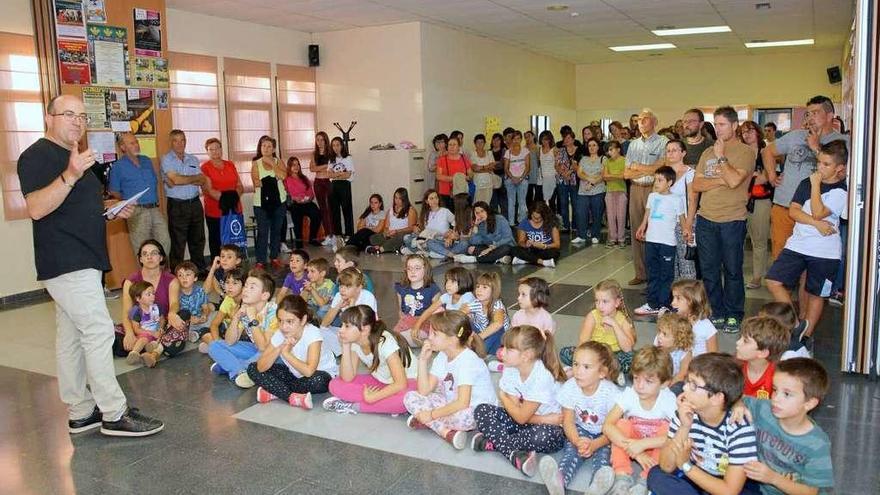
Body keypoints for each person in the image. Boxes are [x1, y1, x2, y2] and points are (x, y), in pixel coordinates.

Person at [18, 95, 162, 437]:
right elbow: (37, 208)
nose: (78, 122)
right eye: (69, 114)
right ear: (49, 117)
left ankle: (81, 410)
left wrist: (113, 208)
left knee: (70, 337)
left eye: (82, 116)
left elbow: (78, 209)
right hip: (67, 260)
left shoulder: (78, 158)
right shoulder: (36, 156)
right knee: (98, 331)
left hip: (85, 257)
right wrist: (69, 174)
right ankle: (114, 411)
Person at [765, 140, 848, 336]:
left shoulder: (841, 191)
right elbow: (794, 212)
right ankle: (795, 325)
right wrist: (817, 224)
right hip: (798, 245)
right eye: (819, 162)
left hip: (825, 251)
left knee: (815, 294)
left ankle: (806, 336)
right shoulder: (807, 182)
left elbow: (819, 211)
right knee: (773, 281)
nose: (820, 167)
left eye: (826, 164)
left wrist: (816, 186)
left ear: (840, 168)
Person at [648, 353, 759, 495]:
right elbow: (666, 466)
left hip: (726, 483)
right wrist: (684, 427)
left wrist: (685, 465)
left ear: (717, 398)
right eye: (687, 381)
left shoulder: (739, 429)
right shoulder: (685, 412)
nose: (685, 388)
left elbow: (730, 490)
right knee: (657, 475)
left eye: (693, 385)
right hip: (695, 478)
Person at [692, 106, 756, 334]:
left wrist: (721, 159)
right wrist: (721, 179)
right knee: (709, 270)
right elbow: (697, 185)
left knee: (732, 270)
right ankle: (716, 312)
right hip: (706, 218)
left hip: (732, 219)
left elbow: (735, 181)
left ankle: (734, 313)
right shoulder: (706, 152)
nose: (718, 129)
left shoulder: (745, 152)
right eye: (716, 124)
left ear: (734, 125)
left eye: (722, 124)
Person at [471, 325, 567, 478]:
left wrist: (503, 397)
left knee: (546, 437)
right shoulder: (510, 368)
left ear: (526, 356)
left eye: (509, 349)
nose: (502, 352)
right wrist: (542, 418)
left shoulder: (542, 376)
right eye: (504, 347)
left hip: (549, 428)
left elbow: (520, 417)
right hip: (537, 420)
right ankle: (514, 454)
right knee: (481, 410)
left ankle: (495, 442)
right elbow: (516, 412)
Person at [762, 96, 849, 260]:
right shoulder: (795, 135)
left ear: (830, 115)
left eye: (815, 113)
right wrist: (772, 175)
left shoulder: (843, 141)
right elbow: (767, 152)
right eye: (808, 114)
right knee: (781, 260)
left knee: (809, 264)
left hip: (817, 214)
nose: (810, 118)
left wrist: (816, 148)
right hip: (785, 207)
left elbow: (843, 175)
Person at [736, 358, 834, 495]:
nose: (775, 398)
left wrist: (773, 478)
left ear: (810, 403)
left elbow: (810, 492)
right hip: (759, 489)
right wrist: (738, 404)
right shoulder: (764, 409)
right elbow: (737, 396)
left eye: (787, 394)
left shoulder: (817, 444)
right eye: (775, 390)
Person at [403, 311, 495, 449]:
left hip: (474, 412)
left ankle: (429, 422)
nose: (429, 338)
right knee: (410, 397)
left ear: (452, 339)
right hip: (453, 403)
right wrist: (422, 361)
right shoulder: (442, 355)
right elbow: (423, 391)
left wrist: (431, 414)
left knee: (459, 416)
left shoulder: (467, 361)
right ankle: (445, 432)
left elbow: (463, 403)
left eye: (435, 334)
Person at [539, 341, 620, 495]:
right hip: (580, 431)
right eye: (575, 364)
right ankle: (558, 482)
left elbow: (614, 428)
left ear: (602, 373)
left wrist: (596, 444)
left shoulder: (611, 393)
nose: (578, 371)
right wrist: (577, 441)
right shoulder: (570, 387)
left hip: (604, 434)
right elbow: (568, 421)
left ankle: (596, 487)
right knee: (571, 453)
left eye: (586, 367)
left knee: (604, 459)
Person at [602, 347, 676, 495]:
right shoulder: (630, 394)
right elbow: (607, 426)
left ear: (664, 384)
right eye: (636, 378)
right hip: (631, 444)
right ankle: (622, 478)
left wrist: (644, 444)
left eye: (648, 381)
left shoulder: (668, 399)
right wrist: (636, 452)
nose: (640, 386)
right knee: (620, 425)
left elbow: (679, 435)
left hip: (654, 446)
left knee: (669, 429)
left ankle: (645, 481)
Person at [323, 305, 418, 415]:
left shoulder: (385, 343)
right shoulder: (355, 341)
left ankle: (355, 406)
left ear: (364, 329)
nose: (341, 330)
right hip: (382, 381)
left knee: (405, 400)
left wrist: (373, 397)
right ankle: (383, 404)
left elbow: (401, 383)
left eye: (347, 326)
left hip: (409, 382)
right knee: (334, 384)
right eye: (342, 325)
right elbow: (347, 377)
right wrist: (345, 346)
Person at [249, 295, 338, 409]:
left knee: (320, 380)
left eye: (290, 321)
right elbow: (260, 367)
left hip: (318, 375)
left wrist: (286, 353)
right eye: (280, 321)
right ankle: (291, 397)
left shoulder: (312, 333)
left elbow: (309, 371)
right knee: (252, 368)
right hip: (295, 376)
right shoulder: (280, 334)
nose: (284, 326)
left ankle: (276, 391)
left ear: (303, 320)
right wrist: (280, 347)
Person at [208, 269, 278, 388]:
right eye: (245, 286)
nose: (245, 290)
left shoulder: (274, 312)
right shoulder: (245, 308)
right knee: (215, 345)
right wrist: (236, 317)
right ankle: (240, 371)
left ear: (264, 295)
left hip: (273, 353)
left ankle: (233, 367)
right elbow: (230, 341)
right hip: (255, 349)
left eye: (252, 287)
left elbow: (264, 346)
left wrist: (252, 318)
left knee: (263, 353)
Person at [121, 240, 188, 360]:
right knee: (113, 338)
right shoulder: (130, 281)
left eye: (154, 253)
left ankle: (149, 348)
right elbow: (127, 313)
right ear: (140, 259)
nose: (149, 257)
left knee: (183, 316)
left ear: (161, 257)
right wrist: (130, 333)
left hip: (163, 326)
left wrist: (172, 313)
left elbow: (174, 303)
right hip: (140, 327)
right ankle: (154, 346)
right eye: (145, 254)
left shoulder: (171, 280)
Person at [624, 109, 669, 286]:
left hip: (655, 189)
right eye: (639, 119)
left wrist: (638, 166)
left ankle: (654, 275)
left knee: (654, 231)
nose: (641, 122)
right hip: (635, 189)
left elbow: (661, 168)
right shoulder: (633, 144)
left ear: (655, 122)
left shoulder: (663, 142)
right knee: (638, 230)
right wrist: (648, 167)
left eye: (645, 119)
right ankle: (640, 273)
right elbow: (626, 173)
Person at [559, 279, 635, 381]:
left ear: (617, 303)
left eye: (605, 301)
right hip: (594, 353)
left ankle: (594, 371)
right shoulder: (592, 316)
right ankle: (609, 373)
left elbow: (627, 349)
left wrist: (615, 325)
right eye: (597, 301)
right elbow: (583, 343)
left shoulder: (623, 319)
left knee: (633, 358)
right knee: (565, 353)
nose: (600, 306)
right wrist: (585, 357)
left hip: (614, 356)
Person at [108, 132, 170, 256]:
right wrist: (127, 201)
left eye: (136, 142)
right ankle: (146, 275)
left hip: (154, 208)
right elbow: (114, 190)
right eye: (132, 143)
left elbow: (154, 182)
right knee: (142, 248)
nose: (136, 145)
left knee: (164, 242)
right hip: (136, 211)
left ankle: (162, 274)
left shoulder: (146, 160)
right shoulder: (118, 167)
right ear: (123, 147)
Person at [635, 166, 686, 315]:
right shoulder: (652, 196)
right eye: (655, 180)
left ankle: (665, 304)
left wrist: (686, 233)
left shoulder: (676, 199)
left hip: (667, 243)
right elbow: (648, 214)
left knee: (666, 275)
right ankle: (652, 303)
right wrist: (642, 226)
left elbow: (682, 220)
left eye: (660, 180)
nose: (656, 183)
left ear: (670, 182)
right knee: (653, 272)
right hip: (652, 240)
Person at [161, 129, 207, 273]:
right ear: (171, 142)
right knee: (178, 241)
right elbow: (175, 180)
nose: (180, 144)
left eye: (182, 140)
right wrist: (188, 179)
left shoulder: (192, 159)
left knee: (198, 239)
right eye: (176, 140)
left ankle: (199, 269)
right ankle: (177, 272)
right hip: (177, 205)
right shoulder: (166, 159)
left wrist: (181, 179)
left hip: (195, 203)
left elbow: (202, 180)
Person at [738, 121, 773, 289]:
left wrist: (748, 178)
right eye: (743, 132)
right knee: (737, 239)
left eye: (750, 131)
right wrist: (752, 176)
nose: (747, 134)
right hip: (738, 200)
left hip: (759, 200)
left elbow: (766, 177)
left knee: (759, 240)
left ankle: (758, 276)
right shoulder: (739, 152)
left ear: (757, 132)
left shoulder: (766, 152)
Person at [200, 138, 243, 259]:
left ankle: (235, 265)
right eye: (211, 149)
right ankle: (218, 267)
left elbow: (240, 186)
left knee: (234, 240)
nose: (215, 151)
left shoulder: (230, 164)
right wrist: (229, 199)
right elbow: (209, 190)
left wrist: (233, 198)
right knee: (217, 241)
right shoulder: (205, 168)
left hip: (235, 210)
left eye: (217, 148)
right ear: (207, 152)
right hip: (215, 212)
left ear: (221, 149)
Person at [250, 135, 288, 270]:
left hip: (279, 201)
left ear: (273, 149)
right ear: (260, 147)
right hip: (261, 203)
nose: (266, 149)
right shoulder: (256, 163)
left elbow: (283, 176)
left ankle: (274, 257)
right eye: (263, 146)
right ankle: (260, 260)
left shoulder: (278, 161)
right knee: (263, 232)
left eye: (269, 146)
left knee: (276, 231)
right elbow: (256, 182)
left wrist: (272, 164)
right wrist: (273, 176)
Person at [412, 267, 476, 343]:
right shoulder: (447, 296)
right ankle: (434, 338)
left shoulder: (467, 296)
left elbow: (460, 315)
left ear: (463, 282)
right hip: (451, 327)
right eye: (447, 281)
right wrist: (417, 325)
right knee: (438, 311)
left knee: (445, 314)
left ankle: (442, 340)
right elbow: (429, 310)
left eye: (452, 281)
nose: (448, 285)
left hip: (466, 329)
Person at [665, 140, 697, 279]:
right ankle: (675, 297)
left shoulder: (690, 173)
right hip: (667, 223)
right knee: (670, 263)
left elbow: (693, 200)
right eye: (668, 150)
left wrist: (688, 225)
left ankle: (689, 298)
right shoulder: (664, 173)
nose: (670, 153)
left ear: (683, 153)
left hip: (683, 223)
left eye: (674, 150)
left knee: (686, 262)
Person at [736, 316, 790, 400]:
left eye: (745, 341)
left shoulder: (778, 378)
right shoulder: (734, 366)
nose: (738, 342)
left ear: (762, 353)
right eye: (740, 337)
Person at [392, 254, 441, 345]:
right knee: (393, 338)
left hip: (425, 321)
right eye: (409, 268)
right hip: (407, 320)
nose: (412, 271)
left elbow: (437, 314)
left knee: (410, 338)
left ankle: (428, 342)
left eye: (417, 268)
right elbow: (401, 311)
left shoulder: (433, 290)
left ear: (425, 270)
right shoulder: (401, 288)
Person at [200, 267, 246, 353]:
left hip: (242, 336)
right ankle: (220, 349)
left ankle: (216, 349)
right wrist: (218, 342)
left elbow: (246, 333)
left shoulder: (246, 303)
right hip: (228, 333)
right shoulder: (228, 299)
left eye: (235, 283)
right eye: (227, 282)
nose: (230, 286)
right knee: (203, 331)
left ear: (244, 286)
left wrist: (234, 319)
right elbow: (214, 324)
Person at [670, 279, 719, 356]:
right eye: (673, 298)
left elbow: (713, 358)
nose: (672, 303)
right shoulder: (675, 322)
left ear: (692, 301)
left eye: (678, 298)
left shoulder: (706, 328)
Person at [124, 280, 165, 368]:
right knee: (143, 340)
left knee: (160, 345)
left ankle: (149, 357)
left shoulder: (157, 307)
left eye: (153, 293)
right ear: (138, 299)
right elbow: (136, 329)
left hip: (156, 335)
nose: (152, 296)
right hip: (144, 334)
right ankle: (134, 353)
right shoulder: (137, 311)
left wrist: (160, 328)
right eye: (148, 294)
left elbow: (162, 319)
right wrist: (151, 333)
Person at [468, 271, 510, 356]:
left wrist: (477, 338)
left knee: (497, 328)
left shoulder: (497, 305)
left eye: (484, 287)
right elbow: (460, 313)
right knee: (464, 319)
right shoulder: (476, 303)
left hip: (496, 341)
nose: (479, 290)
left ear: (493, 291)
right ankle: (469, 347)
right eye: (478, 286)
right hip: (481, 336)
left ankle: (479, 351)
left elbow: (498, 324)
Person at [283, 156, 322, 248]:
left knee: (317, 214)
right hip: (295, 204)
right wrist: (295, 198)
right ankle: (299, 241)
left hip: (306, 202)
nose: (296, 167)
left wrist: (309, 198)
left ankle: (312, 238)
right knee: (297, 216)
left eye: (297, 165)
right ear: (289, 167)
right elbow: (287, 194)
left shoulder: (304, 178)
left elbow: (311, 192)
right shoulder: (286, 180)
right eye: (293, 165)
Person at [574, 138, 606, 245]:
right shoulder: (583, 159)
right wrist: (589, 179)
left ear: (598, 146)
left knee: (597, 213)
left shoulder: (603, 158)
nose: (591, 148)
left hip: (598, 190)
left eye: (594, 145)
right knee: (580, 212)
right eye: (590, 146)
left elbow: (603, 174)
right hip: (583, 190)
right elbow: (579, 173)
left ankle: (595, 235)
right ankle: (581, 235)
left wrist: (592, 183)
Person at [511, 202, 561, 267]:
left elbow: (557, 244)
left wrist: (544, 246)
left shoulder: (551, 223)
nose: (536, 220)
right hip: (531, 250)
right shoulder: (524, 223)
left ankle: (527, 260)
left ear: (544, 216)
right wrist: (526, 244)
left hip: (545, 250)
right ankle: (542, 262)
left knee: (555, 253)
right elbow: (520, 242)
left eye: (539, 218)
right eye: (533, 217)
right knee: (514, 250)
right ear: (530, 214)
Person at [367, 188, 417, 254]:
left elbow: (411, 228)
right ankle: (392, 246)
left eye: (400, 198)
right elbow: (386, 226)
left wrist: (396, 231)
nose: (397, 201)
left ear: (404, 199)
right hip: (390, 234)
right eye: (396, 198)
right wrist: (386, 232)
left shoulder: (410, 210)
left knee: (402, 237)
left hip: (401, 233)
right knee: (373, 238)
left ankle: (381, 249)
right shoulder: (390, 210)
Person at [654, 312, 694, 386]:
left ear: (678, 339)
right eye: (659, 331)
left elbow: (682, 375)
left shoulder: (685, 353)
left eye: (665, 334)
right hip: (661, 376)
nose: (659, 336)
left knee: (680, 386)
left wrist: (666, 389)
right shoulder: (658, 341)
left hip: (676, 380)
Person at [175, 260, 212, 340]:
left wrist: (204, 315)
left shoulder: (200, 291)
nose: (184, 278)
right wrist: (190, 319)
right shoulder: (176, 294)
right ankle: (193, 333)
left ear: (195, 278)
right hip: (184, 322)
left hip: (199, 319)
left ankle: (196, 333)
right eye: (180, 275)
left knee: (212, 320)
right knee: (180, 327)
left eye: (188, 274)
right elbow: (176, 314)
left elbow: (205, 307)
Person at [328, 136, 355, 243]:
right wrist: (338, 174)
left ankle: (349, 234)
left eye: (337, 145)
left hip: (344, 186)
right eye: (333, 145)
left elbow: (348, 175)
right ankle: (338, 234)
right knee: (334, 211)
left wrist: (336, 175)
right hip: (333, 186)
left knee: (347, 210)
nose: (335, 147)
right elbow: (329, 174)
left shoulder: (348, 158)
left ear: (342, 146)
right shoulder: (331, 159)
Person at [311, 131, 334, 246]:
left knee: (329, 209)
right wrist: (325, 166)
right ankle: (327, 235)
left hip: (327, 181)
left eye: (321, 140)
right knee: (323, 209)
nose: (319, 142)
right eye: (317, 140)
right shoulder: (314, 153)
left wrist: (319, 168)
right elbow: (312, 168)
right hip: (318, 182)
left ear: (325, 140)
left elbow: (332, 168)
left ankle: (332, 234)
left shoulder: (330, 153)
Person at [555, 131, 581, 234]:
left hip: (575, 180)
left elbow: (580, 164)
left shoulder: (579, 150)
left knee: (575, 203)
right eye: (565, 138)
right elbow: (556, 165)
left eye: (569, 138)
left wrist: (569, 172)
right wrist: (563, 173)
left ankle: (574, 225)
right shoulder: (560, 151)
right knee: (563, 203)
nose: (566, 140)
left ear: (573, 139)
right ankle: (565, 226)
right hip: (562, 180)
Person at [437, 135, 472, 209]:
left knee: (461, 216)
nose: (452, 147)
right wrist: (456, 178)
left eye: (454, 145)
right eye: (450, 145)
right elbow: (438, 176)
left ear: (459, 147)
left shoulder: (464, 158)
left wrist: (468, 177)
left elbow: (470, 173)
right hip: (446, 193)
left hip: (461, 193)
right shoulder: (442, 160)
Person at [603, 140, 627, 248]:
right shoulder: (607, 162)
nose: (610, 152)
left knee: (621, 215)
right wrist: (616, 175)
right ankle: (612, 238)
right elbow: (604, 176)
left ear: (618, 149)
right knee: (611, 215)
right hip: (609, 191)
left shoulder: (624, 160)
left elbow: (624, 175)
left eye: (612, 149)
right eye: (608, 150)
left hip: (621, 190)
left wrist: (611, 176)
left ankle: (621, 238)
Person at [504, 130, 531, 224]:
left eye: (518, 138)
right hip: (510, 180)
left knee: (522, 202)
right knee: (511, 202)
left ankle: (522, 223)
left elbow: (528, 167)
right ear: (512, 140)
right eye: (514, 139)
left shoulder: (525, 151)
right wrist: (513, 178)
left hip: (522, 180)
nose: (516, 140)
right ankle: (511, 223)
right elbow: (506, 168)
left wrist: (520, 178)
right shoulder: (508, 152)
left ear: (521, 139)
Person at [302, 258, 335, 322]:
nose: (308, 275)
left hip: (325, 311)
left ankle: (316, 322)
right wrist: (306, 290)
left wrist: (312, 290)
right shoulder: (311, 283)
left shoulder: (329, 285)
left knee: (322, 310)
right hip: (314, 307)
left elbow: (322, 304)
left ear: (322, 273)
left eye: (312, 271)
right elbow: (302, 301)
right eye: (308, 271)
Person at [471, 134, 495, 204]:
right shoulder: (473, 154)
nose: (480, 144)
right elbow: (474, 168)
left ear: (484, 143)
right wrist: (486, 168)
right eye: (478, 142)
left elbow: (492, 167)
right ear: (475, 143)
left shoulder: (489, 153)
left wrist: (480, 168)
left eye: (482, 142)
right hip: (477, 183)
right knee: (477, 204)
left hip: (489, 183)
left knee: (487, 204)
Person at [538, 130, 559, 209]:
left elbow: (558, 164)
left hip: (552, 177)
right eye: (543, 139)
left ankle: (553, 218)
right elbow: (540, 164)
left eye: (547, 139)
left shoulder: (554, 150)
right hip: (543, 178)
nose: (545, 141)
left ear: (550, 139)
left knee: (552, 200)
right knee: (545, 201)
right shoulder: (540, 150)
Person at [524, 130, 542, 206]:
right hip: (527, 175)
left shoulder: (538, 148)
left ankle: (537, 213)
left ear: (533, 136)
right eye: (526, 137)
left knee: (538, 196)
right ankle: (529, 213)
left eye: (529, 136)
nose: (527, 138)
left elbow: (540, 162)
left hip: (537, 175)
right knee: (528, 196)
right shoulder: (523, 149)